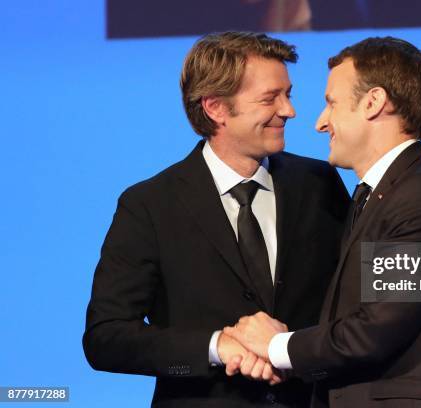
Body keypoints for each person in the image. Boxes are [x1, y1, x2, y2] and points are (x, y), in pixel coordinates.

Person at [224, 37, 421, 407]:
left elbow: (376, 329)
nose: (321, 123)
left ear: (373, 102)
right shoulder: (378, 196)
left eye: (331, 103)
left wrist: (274, 346)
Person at [82, 31, 350, 407]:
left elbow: (352, 301)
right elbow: (105, 338)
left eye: (287, 94)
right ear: (216, 108)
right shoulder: (150, 205)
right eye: (270, 98)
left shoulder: (319, 183)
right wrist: (215, 347)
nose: (289, 110)